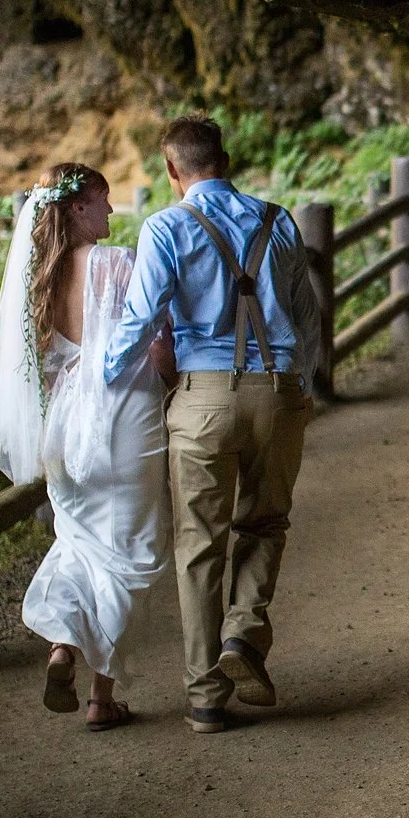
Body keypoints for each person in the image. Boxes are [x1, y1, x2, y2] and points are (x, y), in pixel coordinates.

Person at [99, 116, 322, 734]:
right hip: (276, 395)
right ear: (224, 160)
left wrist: (101, 384)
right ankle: (244, 637)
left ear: (173, 172)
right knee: (266, 521)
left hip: (201, 402)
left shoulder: (166, 226)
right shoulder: (278, 221)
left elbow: (140, 319)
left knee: (200, 544)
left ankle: (204, 697)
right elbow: (307, 315)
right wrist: (302, 386)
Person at [0, 162, 176, 729]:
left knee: (79, 542)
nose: (112, 210)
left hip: (64, 424)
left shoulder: (36, 277)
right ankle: (100, 698)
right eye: (103, 199)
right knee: (130, 554)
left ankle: (63, 644)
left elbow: (40, 366)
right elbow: (155, 339)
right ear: (76, 208)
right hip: (124, 417)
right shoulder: (116, 264)